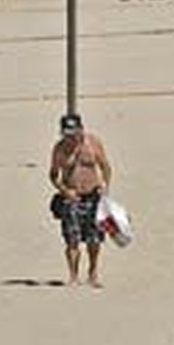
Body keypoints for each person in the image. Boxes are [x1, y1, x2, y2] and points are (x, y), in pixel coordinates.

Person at [49, 113, 112, 288]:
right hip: (72, 198)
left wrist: (105, 186)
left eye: (73, 133)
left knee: (94, 239)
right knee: (72, 239)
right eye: (66, 134)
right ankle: (73, 276)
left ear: (80, 129)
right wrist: (64, 191)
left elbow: (105, 167)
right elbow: (53, 175)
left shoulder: (92, 143)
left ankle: (92, 273)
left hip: (94, 196)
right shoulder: (59, 149)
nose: (70, 138)